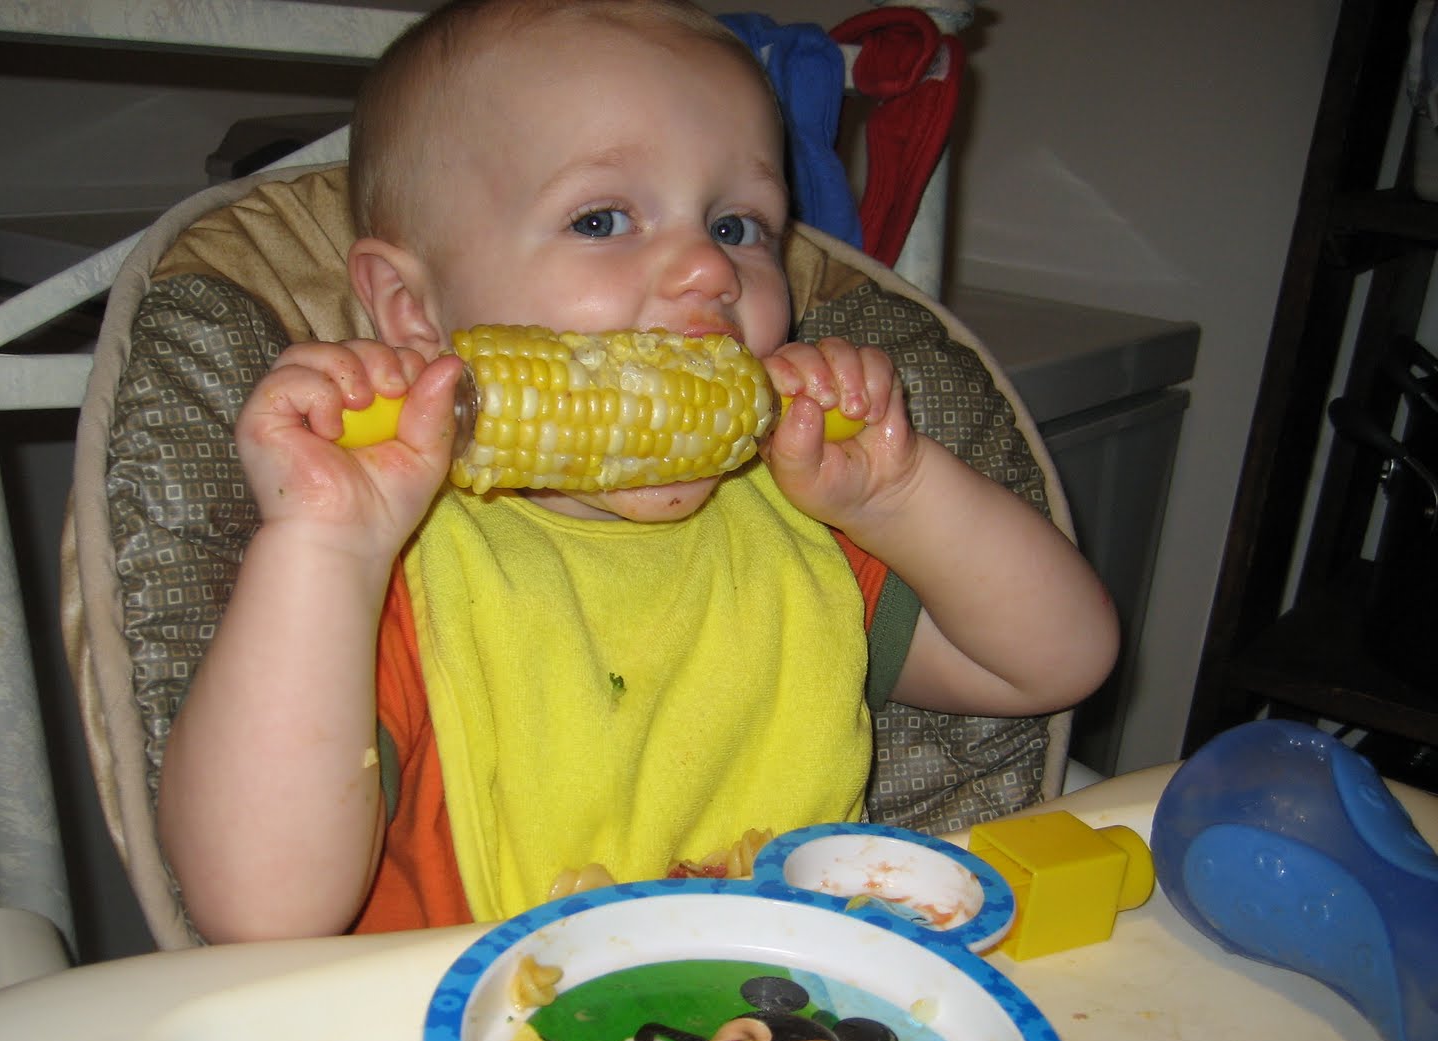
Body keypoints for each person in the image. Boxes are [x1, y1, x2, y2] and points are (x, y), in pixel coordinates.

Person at [157, 0, 1118, 943]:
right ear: (410, 310)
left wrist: (899, 495)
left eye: (741, 226)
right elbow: (260, 912)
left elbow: (1054, 662)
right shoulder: (383, 570)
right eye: (604, 217)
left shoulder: (802, 527)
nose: (708, 268)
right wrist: (322, 544)